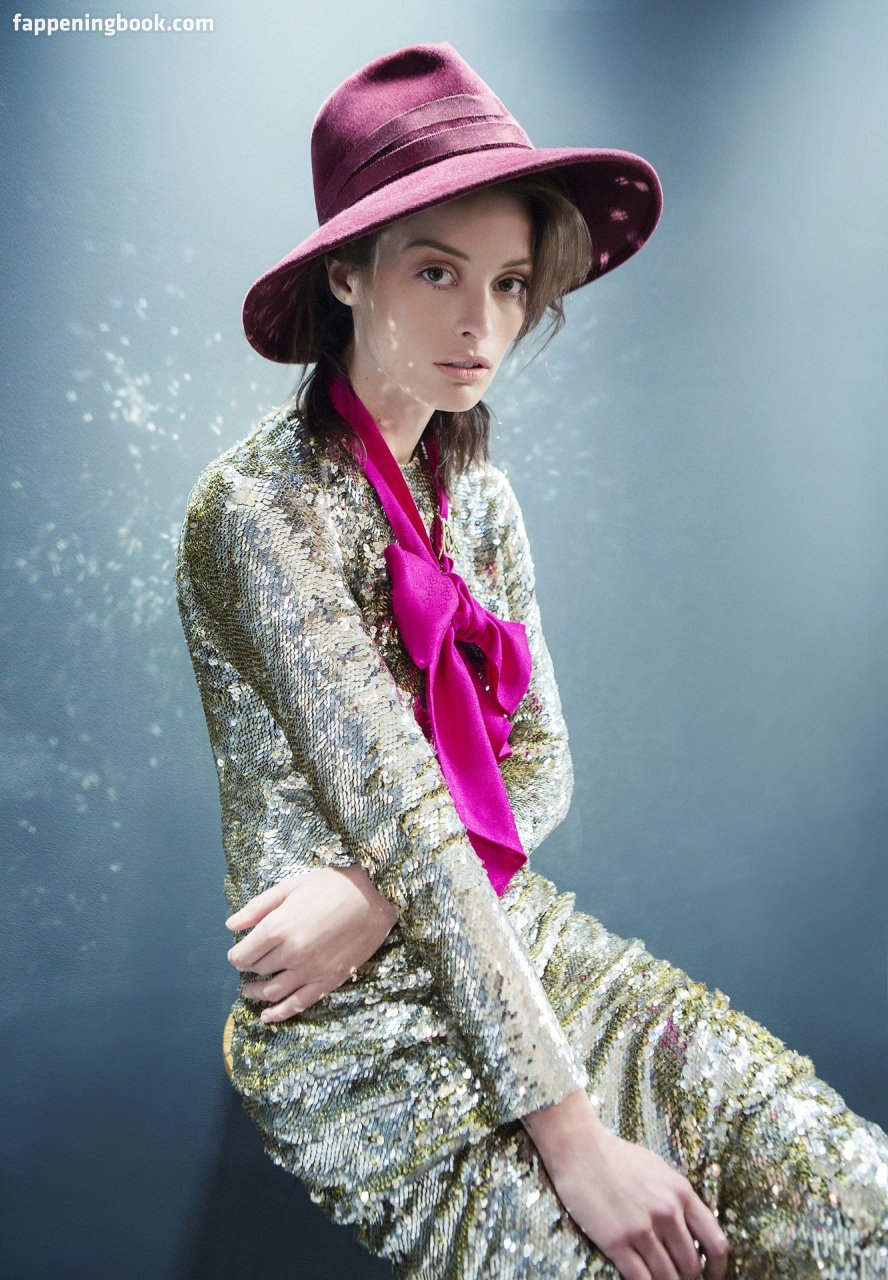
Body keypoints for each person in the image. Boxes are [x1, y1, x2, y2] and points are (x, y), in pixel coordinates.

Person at [175, 42, 888, 1280]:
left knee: (849, 1193)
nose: (482, 324)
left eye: (510, 284)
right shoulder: (257, 510)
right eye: (437, 271)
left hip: (513, 943)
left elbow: (543, 765)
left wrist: (371, 892)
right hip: (361, 1033)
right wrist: (577, 1140)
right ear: (345, 271)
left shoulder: (480, 496)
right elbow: (409, 806)